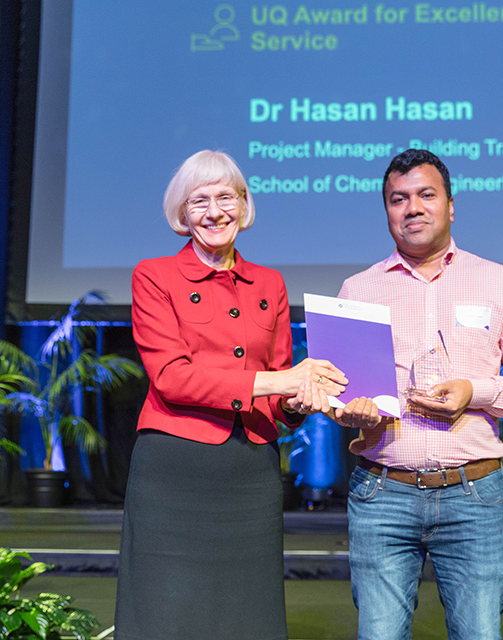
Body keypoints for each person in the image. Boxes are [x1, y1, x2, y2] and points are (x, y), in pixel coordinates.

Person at [114, 150, 346, 640]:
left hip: (250, 472)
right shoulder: (154, 276)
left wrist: (298, 400)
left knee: (249, 614)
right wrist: (279, 382)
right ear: (182, 213)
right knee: (166, 611)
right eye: (200, 201)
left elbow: (281, 391)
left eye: (226, 197)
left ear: (244, 204)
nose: (215, 211)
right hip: (174, 468)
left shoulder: (271, 283)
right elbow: (173, 378)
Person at [332, 149, 503, 640]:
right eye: (398, 199)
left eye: (425, 195)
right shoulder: (358, 289)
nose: (412, 208)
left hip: (473, 493)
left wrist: (473, 392)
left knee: (478, 634)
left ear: (450, 206)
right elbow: (338, 393)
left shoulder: (499, 281)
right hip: (382, 492)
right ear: (387, 211)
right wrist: (350, 411)